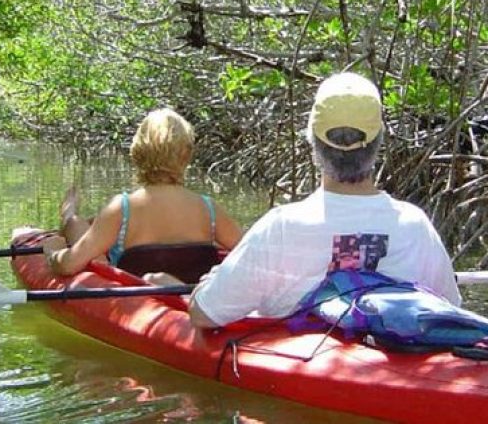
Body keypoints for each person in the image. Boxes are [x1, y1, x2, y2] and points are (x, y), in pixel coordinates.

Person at [184, 72, 461, 328]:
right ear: (379, 142)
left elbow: (204, 315)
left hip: (298, 374)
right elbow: (450, 309)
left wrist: (206, 286)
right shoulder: (415, 226)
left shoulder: (281, 227)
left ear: (312, 141)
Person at [41, 108, 242, 284]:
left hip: (141, 299)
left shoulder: (122, 207)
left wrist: (52, 252)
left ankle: (69, 215)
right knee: (78, 225)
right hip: (189, 296)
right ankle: (71, 216)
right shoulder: (209, 209)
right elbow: (254, 255)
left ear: (137, 152)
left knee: (75, 225)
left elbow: (68, 266)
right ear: (187, 155)